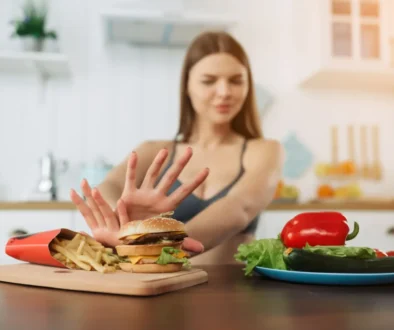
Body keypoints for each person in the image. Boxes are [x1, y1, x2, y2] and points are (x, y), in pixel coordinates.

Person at [70, 31, 284, 265]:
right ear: (187, 87)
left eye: (236, 80)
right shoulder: (153, 151)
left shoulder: (264, 151)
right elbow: (107, 188)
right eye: (209, 81)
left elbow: (239, 208)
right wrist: (128, 226)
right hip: (161, 289)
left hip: (234, 294)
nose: (224, 92)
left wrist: (159, 244)